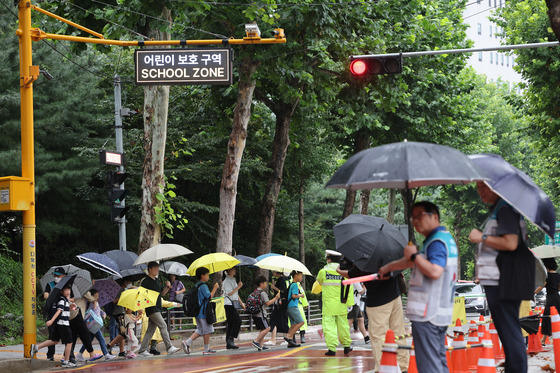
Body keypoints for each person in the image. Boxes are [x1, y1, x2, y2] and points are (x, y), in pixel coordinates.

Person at [379, 201, 458, 373]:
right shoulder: (442, 238)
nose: (415, 221)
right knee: (438, 361)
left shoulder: (437, 242)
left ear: (434, 216)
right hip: (437, 313)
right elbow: (413, 261)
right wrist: (389, 267)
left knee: (429, 366)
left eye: (419, 216)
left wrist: (414, 255)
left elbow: (435, 271)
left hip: (428, 313)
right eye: (413, 217)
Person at [469, 181, 534, 373]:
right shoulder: (500, 209)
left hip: (502, 280)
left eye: (483, 186)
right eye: (478, 187)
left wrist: (481, 237)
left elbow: (511, 243)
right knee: (508, 330)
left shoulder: (505, 209)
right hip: (500, 279)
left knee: (509, 331)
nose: (479, 191)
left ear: (496, 187)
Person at [339, 261, 408, 371]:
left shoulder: (365, 254)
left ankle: (384, 369)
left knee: (378, 337)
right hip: (395, 295)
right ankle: (404, 367)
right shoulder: (390, 249)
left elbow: (353, 274)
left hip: (378, 300)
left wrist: (339, 271)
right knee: (398, 332)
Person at [137, 261, 180, 356]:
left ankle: (142, 350)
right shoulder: (145, 281)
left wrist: (167, 287)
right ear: (150, 269)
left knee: (150, 330)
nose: (157, 270)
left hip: (157, 307)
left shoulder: (156, 281)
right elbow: (141, 295)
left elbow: (162, 294)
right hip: (151, 308)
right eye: (155, 268)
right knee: (163, 326)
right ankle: (169, 347)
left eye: (158, 268)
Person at [316, 250, 354, 356]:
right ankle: (347, 346)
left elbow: (319, 281)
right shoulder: (344, 271)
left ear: (329, 259)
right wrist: (350, 303)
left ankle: (332, 348)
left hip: (328, 305)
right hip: (342, 303)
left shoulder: (323, 271)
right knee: (343, 326)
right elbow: (349, 288)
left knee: (329, 326)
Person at [31, 284, 76, 368]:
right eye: (65, 290)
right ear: (61, 291)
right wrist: (51, 321)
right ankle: (66, 361)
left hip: (60, 324)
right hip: (63, 324)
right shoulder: (62, 300)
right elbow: (59, 311)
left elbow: (64, 311)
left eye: (69, 290)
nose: (68, 292)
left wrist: (70, 307)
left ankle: (36, 347)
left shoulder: (65, 300)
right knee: (69, 342)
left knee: (54, 341)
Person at [181, 266, 220, 355]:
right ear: (202, 275)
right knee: (207, 330)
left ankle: (187, 343)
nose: (208, 277)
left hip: (198, 312)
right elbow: (209, 297)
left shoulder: (197, 285)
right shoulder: (203, 286)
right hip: (203, 312)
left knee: (200, 330)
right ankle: (206, 350)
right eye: (207, 275)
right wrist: (215, 288)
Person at [76, 289, 115, 361]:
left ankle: (80, 354)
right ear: (92, 296)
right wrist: (93, 304)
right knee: (101, 339)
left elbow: (99, 310)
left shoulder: (96, 303)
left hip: (94, 324)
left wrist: (103, 314)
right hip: (93, 324)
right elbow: (92, 311)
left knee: (89, 340)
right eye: (96, 296)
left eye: (98, 296)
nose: (97, 297)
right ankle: (106, 354)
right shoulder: (90, 303)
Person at [42, 266, 67, 361]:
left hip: (63, 314)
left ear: (63, 276)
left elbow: (71, 298)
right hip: (52, 312)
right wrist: (53, 296)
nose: (56, 277)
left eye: (58, 275)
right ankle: (50, 355)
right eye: (54, 275)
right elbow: (46, 295)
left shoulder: (66, 286)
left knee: (67, 336)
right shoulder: (50, 284)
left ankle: (67, 356)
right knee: (52, 336)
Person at [251, 275, 280, 350]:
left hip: (255, 313)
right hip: (261, 314)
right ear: (261, 283)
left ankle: (260, 345)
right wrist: (276, 298)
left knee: (262, 329)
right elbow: (267, 303)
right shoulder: (262, 293)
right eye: (265, 283)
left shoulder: (255, 291)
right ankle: (256, 341)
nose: (266, 284)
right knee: (268, 328)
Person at [536, 258, 560, 345]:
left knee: (547, 317)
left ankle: (543, 339)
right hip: (557, 298)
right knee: (557, 317)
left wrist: (533, 293)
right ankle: (555, 337)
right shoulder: (558, 275)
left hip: (550, 298)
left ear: (547, 266)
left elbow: (541, 287)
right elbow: (559, 288)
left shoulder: (547, 276)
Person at [266, 271, 290, 346]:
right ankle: (273, 339)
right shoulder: (279, 279)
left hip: (281, 304)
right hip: (278, 304)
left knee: (282, 320)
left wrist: (274, 287)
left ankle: (287, 338)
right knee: (274, 320)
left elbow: (283, 291)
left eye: (274, 271)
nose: (273, 272)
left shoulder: (282, 279)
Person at [222, 268, 244, 349]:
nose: (235, 271)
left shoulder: (233, 279)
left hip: (233, 303)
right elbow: (229, 293)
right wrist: (238, 287)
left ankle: (229, 342)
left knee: (231, 323)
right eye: (233, 269)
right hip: (228, 303)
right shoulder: (227, 280)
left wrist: (242, 303)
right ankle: (231, 338)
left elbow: (236, 294)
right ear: (228, 271)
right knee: (237, 321)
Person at [284, 271, 306, 348]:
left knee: (293, 324)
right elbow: (294, 296)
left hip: (289, 307)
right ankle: (289, 336)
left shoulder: (291, 284)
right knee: (301, 322)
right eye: (300, 276)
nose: (301, 278)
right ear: (296, 275)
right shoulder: (295, 285)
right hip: (293, 306)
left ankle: (290, 343)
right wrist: (301, 295)